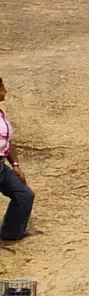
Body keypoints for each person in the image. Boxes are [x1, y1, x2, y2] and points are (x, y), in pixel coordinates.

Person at [0, 77, 34, 243]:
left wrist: (15, 164)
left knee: (24, 195)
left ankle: (11, 233)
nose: (5, 92)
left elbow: (8, 141)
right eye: (2, 89)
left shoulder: (1, 114)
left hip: (1, 166)